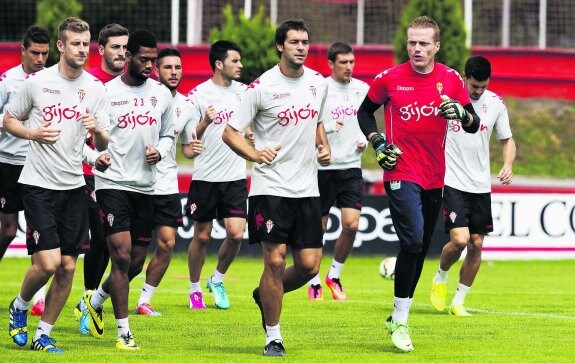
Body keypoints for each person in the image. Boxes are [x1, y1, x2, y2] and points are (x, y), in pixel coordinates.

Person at [357, 15, 480, 352]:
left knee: (419, 247)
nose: (416, 49)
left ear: (436, 47)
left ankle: (398, 317)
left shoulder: (451, 79)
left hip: (434, 176)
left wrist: (462, 113)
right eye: (412, 42)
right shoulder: (390, 78)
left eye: (424, 43)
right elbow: (364, 112)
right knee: (412, 241)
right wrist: (377, 141)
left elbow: (473, 123)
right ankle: (399, 320)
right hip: (400, 171)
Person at [223, 19, 331, 357]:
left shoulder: (318, 83)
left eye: (305, 41)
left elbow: (317, 122)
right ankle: (274, 336)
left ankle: (265, 294)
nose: (301, 47)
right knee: (275, 260)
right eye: (294, 41)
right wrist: (255, 154)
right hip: (270, 188)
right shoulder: (261, 87)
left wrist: (324, 147)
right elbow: (229, 132)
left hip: (308, 189)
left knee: (310, 266)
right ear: (280, 47)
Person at [3, 17, 109, 353]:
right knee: (47, 264)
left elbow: (104, 144)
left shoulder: (95, 88)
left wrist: (99, 133)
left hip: (74, 187)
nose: (82, 49)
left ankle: (43, 334)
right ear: (61, 46)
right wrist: (32, 133)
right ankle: (20, 306)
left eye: (86, 43)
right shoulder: (37, 83)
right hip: (37, 185)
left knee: (67, 266)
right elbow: (8, 120)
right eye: (75, 43)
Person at [82, 30, 174, 351]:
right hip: (112, 184)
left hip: (146, 187)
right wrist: (97, 157)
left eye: (153, 59)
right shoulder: (105, 93)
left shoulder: (162, 95)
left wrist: (160, 151)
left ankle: (95, 300)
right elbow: (81, 143)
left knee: (135, 263)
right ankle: (124, 333)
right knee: (120, 257)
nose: (150, 64)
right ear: (128, 57)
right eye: (143, 58)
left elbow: (168, 136)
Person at [430, 56, 515, 316]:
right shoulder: (448, 99)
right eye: (474, 85)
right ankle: (440, 277)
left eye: (483, 86)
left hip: (481, 185)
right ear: (465, 77)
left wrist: (508, 164)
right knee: (460, 240)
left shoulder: (495, 104)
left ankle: (458, 302)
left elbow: (507, 140)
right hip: (453, 181)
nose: (478, 91)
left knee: (476, 245)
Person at [134, 47, 203, 315]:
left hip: (167, 186)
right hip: (138, 184)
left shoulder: (187, 106)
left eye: (177, 67)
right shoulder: (143, 97)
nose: (174, 72)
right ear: (156, 70)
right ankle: (98, 296)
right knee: (133, 258)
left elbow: (186, 147)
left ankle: (144, 301)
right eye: (167, 68)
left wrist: (193, 149)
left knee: (167, 244)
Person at [73, 23, 129, 335]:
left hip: (126, 177)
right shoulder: (90, 85)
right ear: (101, 50)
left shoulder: (134, 84)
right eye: (115, 47)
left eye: (125, 47)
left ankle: (92, 300)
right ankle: (87, 300)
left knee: (121, 250)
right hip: (90, 173)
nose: (122, 53)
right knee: (98, 238)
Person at [184, 40, 248, 310]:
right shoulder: (198, 95)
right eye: (235, 61)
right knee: (201, 236)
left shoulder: (246, 92)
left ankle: (217, 279)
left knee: (235, 234)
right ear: (219, 64)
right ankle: (194, 289)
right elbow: (189, 140)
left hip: (234, 177)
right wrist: (205, 121)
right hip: (205, 177)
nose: (241, 65)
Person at [306, 42, 369, 301]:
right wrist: (330, 127)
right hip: (323, 169)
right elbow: (308, 126)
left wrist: (366, 137)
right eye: (344, 62)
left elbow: (368, 120)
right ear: (331, 64)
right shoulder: (320, 89)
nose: (349, 67)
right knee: (317, 228)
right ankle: (314, 281)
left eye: (352, 62)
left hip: (351, 168)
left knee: (351, 225)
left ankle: (334, 275)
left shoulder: (362, 89)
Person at [0, 25, 50, 317]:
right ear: (23, 51)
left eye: (45, 53)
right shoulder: (8, 82)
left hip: (38, 164)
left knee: (38, 231)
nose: (41, 58)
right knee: (7, 231)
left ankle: (38, 298)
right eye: (35, 52)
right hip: (8, 163)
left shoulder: (52, 80)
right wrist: (13, 120)